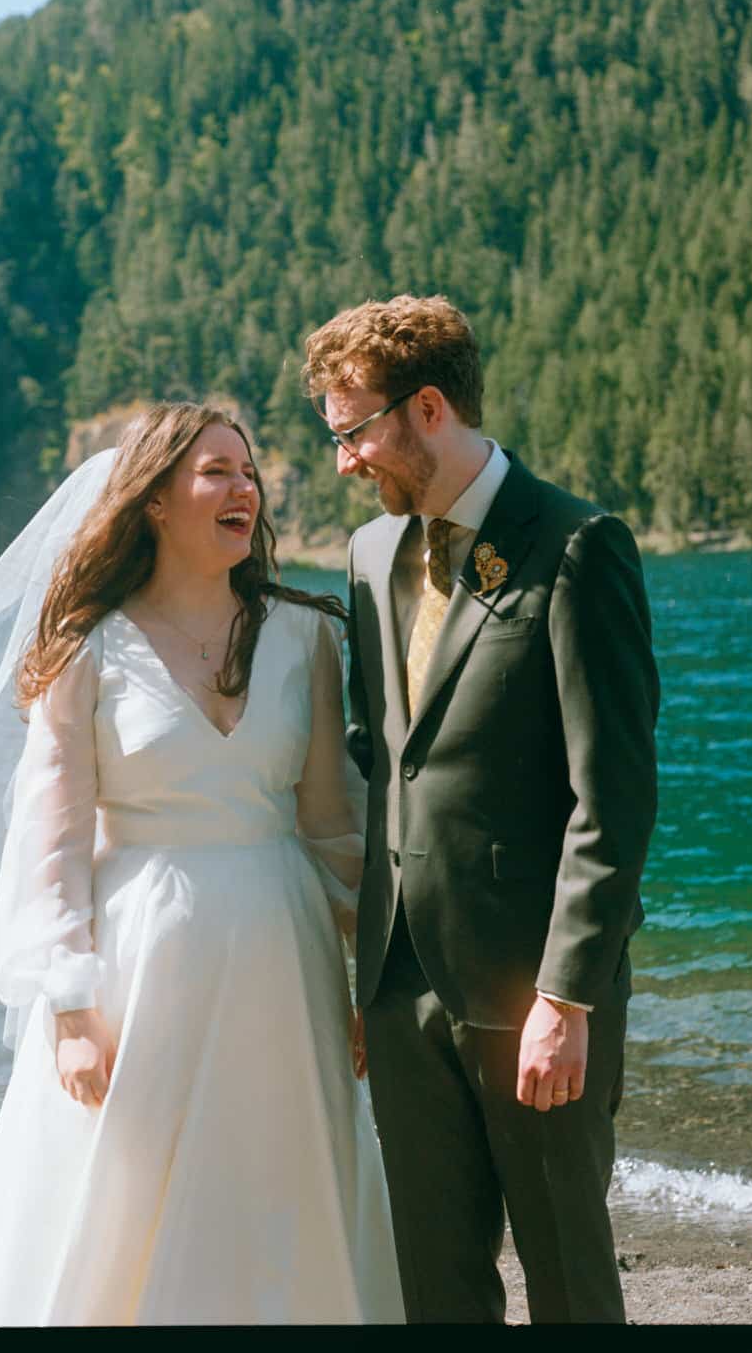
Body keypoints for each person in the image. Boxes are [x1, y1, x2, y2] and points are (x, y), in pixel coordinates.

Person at [0, 402, 403, 1325]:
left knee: (282, 1188)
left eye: (249, 472)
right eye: (216, 471)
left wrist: (370, 978)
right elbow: (51, 840)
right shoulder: (87, 649)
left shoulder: (305, 636)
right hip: (138, 963)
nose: (244, 489)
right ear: (155, 499)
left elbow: (333, 824)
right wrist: (70, 1007)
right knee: (123, 1201)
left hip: (287, 962)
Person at [302, 295, 660, 1324]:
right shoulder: (371, 558)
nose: (344, 462)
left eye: (353, 431)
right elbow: (378, 762)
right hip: (399, 987)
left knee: (568, 1277)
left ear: (427, 409)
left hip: (533, 987)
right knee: (435, 1286)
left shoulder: (577, 544)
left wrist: (568, 996)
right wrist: (364, 968)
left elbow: (613, 799)